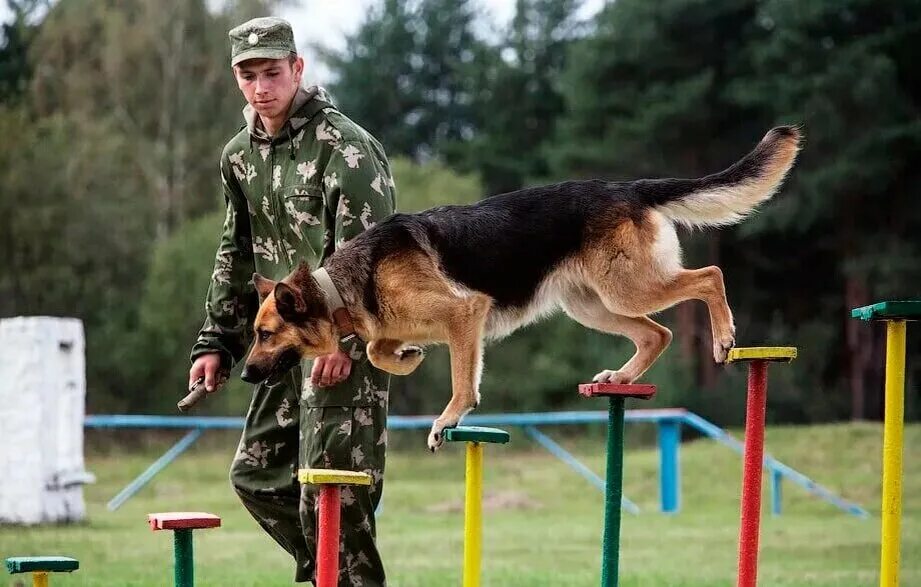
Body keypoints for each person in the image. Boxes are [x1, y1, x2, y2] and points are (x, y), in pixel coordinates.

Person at [187, 16, 395, 585]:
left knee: (333, 500)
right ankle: (327, 572)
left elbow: (373, 258)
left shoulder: (345, 147)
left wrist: (345, 341)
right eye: (248, 75)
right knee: (255, 477)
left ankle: (341, 573)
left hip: (342, 350)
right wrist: (216, 344)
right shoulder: (238, 156)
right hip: (281, 346)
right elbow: (236, 253)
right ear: (236, 78)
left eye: (273, 73)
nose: (262, 88)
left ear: (297, 69)